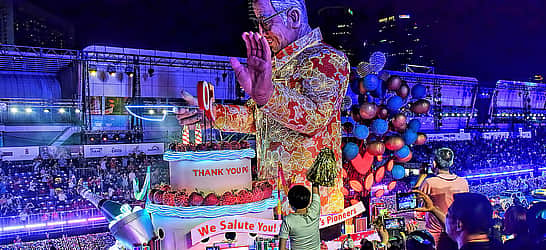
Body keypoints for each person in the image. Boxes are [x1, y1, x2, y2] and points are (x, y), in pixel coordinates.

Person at [176, 0, 349, 215]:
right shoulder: (275, 64)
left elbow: (314, 119)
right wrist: (213, 113)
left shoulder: (327, 59)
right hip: (270, 201)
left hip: (314, 208)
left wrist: (267, 95)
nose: (260, 32)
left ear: (294, 17)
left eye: (265, 22)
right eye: (257, 23)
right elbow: (256, 117)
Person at [419, 147, 469, 247]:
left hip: (436, 233)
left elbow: (417, 202)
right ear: (451, 163)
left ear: (434, 164)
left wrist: (421, 177)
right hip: (457, 232)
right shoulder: (463, 182)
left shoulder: (429, 183)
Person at [279, 183, 320, 250]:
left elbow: (282, 248)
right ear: (308, 200)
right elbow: (315, 192)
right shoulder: (315, 211)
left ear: (290, 203)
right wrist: (314, 178)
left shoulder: (288, 220)